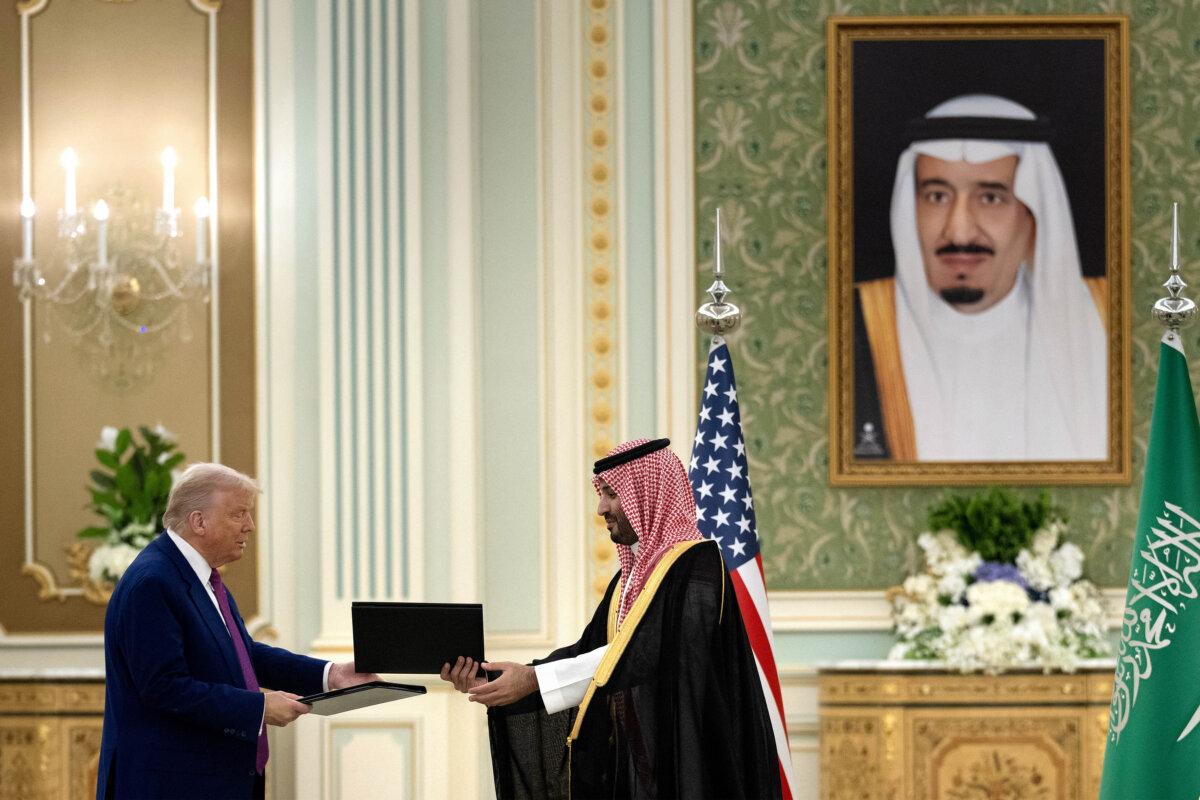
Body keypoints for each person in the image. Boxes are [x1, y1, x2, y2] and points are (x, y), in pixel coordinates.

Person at [441, 438, 781, 799]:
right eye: (601, 494)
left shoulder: (697, 565)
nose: (601, 507)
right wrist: (494, 679)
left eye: (611, 493)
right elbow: (589, 652)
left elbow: (647, 653)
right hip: (634, 772)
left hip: (690, 767)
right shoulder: (628, 579)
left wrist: (534, 680)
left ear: (648, 494)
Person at [97, 463, 379, 800]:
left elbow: (243, 654)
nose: (250, 526)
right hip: (169, 785)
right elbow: (164, 687)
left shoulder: (199, 575)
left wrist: (331, 675)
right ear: (199, 521)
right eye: (239, 514)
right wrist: (257, 708)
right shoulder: (153, 582)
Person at [853, 93, 1108, 462]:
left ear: (1033, 214)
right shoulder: (850, 326)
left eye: (990, 198)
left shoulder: (1109, 321)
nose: (959, 231)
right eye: (937, 196)